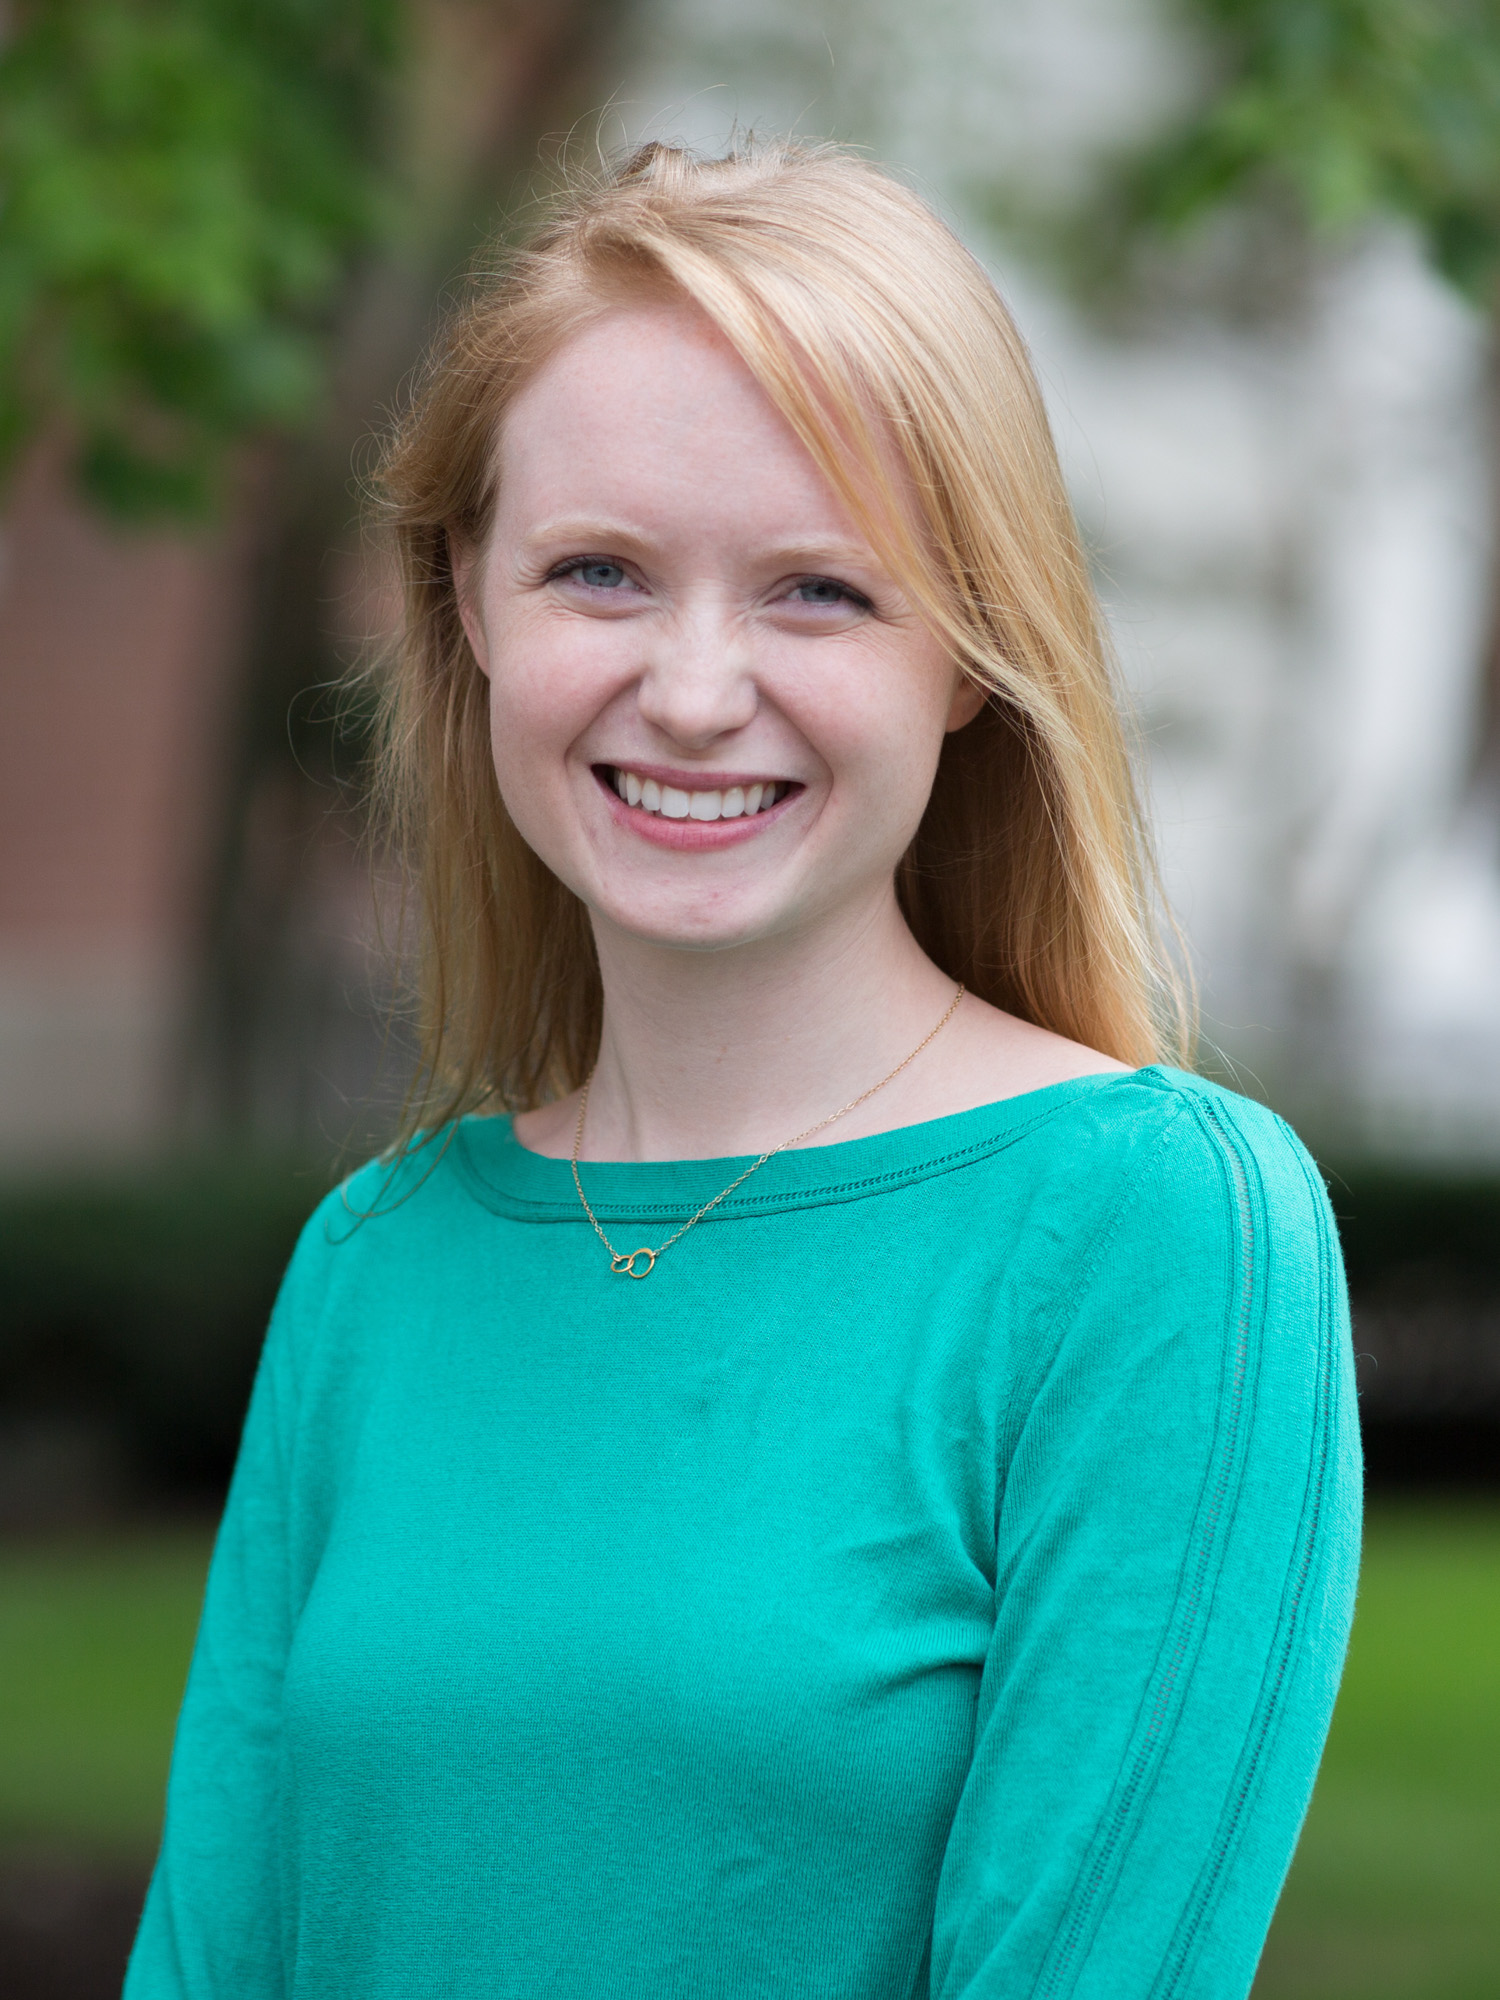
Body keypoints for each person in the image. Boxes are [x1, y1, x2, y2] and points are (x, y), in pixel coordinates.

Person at [125, 140, 1361, 2000]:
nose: (695, 691)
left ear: (972, 651)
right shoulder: (373, 1265)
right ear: (469, 603)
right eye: (600, 572)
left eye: (817, 593)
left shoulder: (1162, 1234)